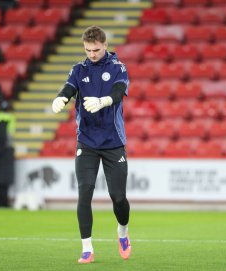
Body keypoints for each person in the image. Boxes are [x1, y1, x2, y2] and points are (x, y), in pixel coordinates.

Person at [51, 25, 131, 264]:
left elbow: (119, 91)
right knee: (84, 192)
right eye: (88, 50)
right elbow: (69, 87)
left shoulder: (118, 67)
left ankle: (123, 232)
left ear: (105, 45)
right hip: (86, 141)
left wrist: (104, 100)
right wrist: (61, 97)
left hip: (113, 141)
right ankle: (87, 248)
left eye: (96, 50)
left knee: (118, 196)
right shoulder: (78, 69)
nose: (92, 54)